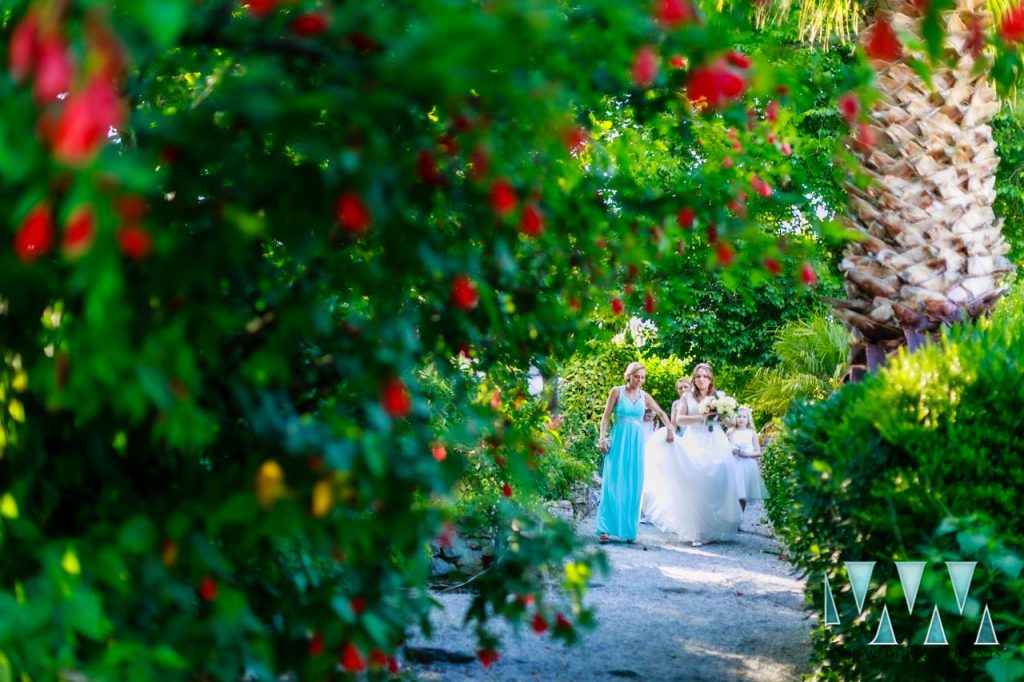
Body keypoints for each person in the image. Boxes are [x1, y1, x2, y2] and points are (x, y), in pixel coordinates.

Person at [642, 363, 741, 546]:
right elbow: (679, 419)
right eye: (698, 376)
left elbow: (732, 422)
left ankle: (711, 527)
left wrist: (721, 413)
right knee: (695, 484)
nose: (701, 379)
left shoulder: (719, 397)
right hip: (694, 441)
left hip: (716, 442)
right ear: (694, 379)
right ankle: (696, 531)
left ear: (711, 379)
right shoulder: (687, 397)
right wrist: (701, 417)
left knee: (716, 484)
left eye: (705, 376)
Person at [596, 362, 674, 545]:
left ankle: (630, 532)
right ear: (629, 376)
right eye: (636, 376)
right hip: (618, 441)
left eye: (642, 377)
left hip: (636, 444)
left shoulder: (645, 397)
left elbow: (661, 413)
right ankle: (605, 529)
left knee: (633, 485)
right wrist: (602, 438)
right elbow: (606, 416)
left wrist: (670, 428)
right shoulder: (617, 391)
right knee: (612, 483)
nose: (639, 380)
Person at [728, 407, 768, 511]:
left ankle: (740, 518)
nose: (741, 419)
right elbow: (724, 448)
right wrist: (730, 451)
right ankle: (732, 517)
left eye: (744, 417)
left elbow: (758, 452)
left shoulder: (752, 433)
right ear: (735, 418)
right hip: (733, 464)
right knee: (732, 493)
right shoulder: (730, 432)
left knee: (743, 494)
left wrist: (748, 454)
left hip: (747, 465)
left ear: (748, 419)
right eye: (739, 416)